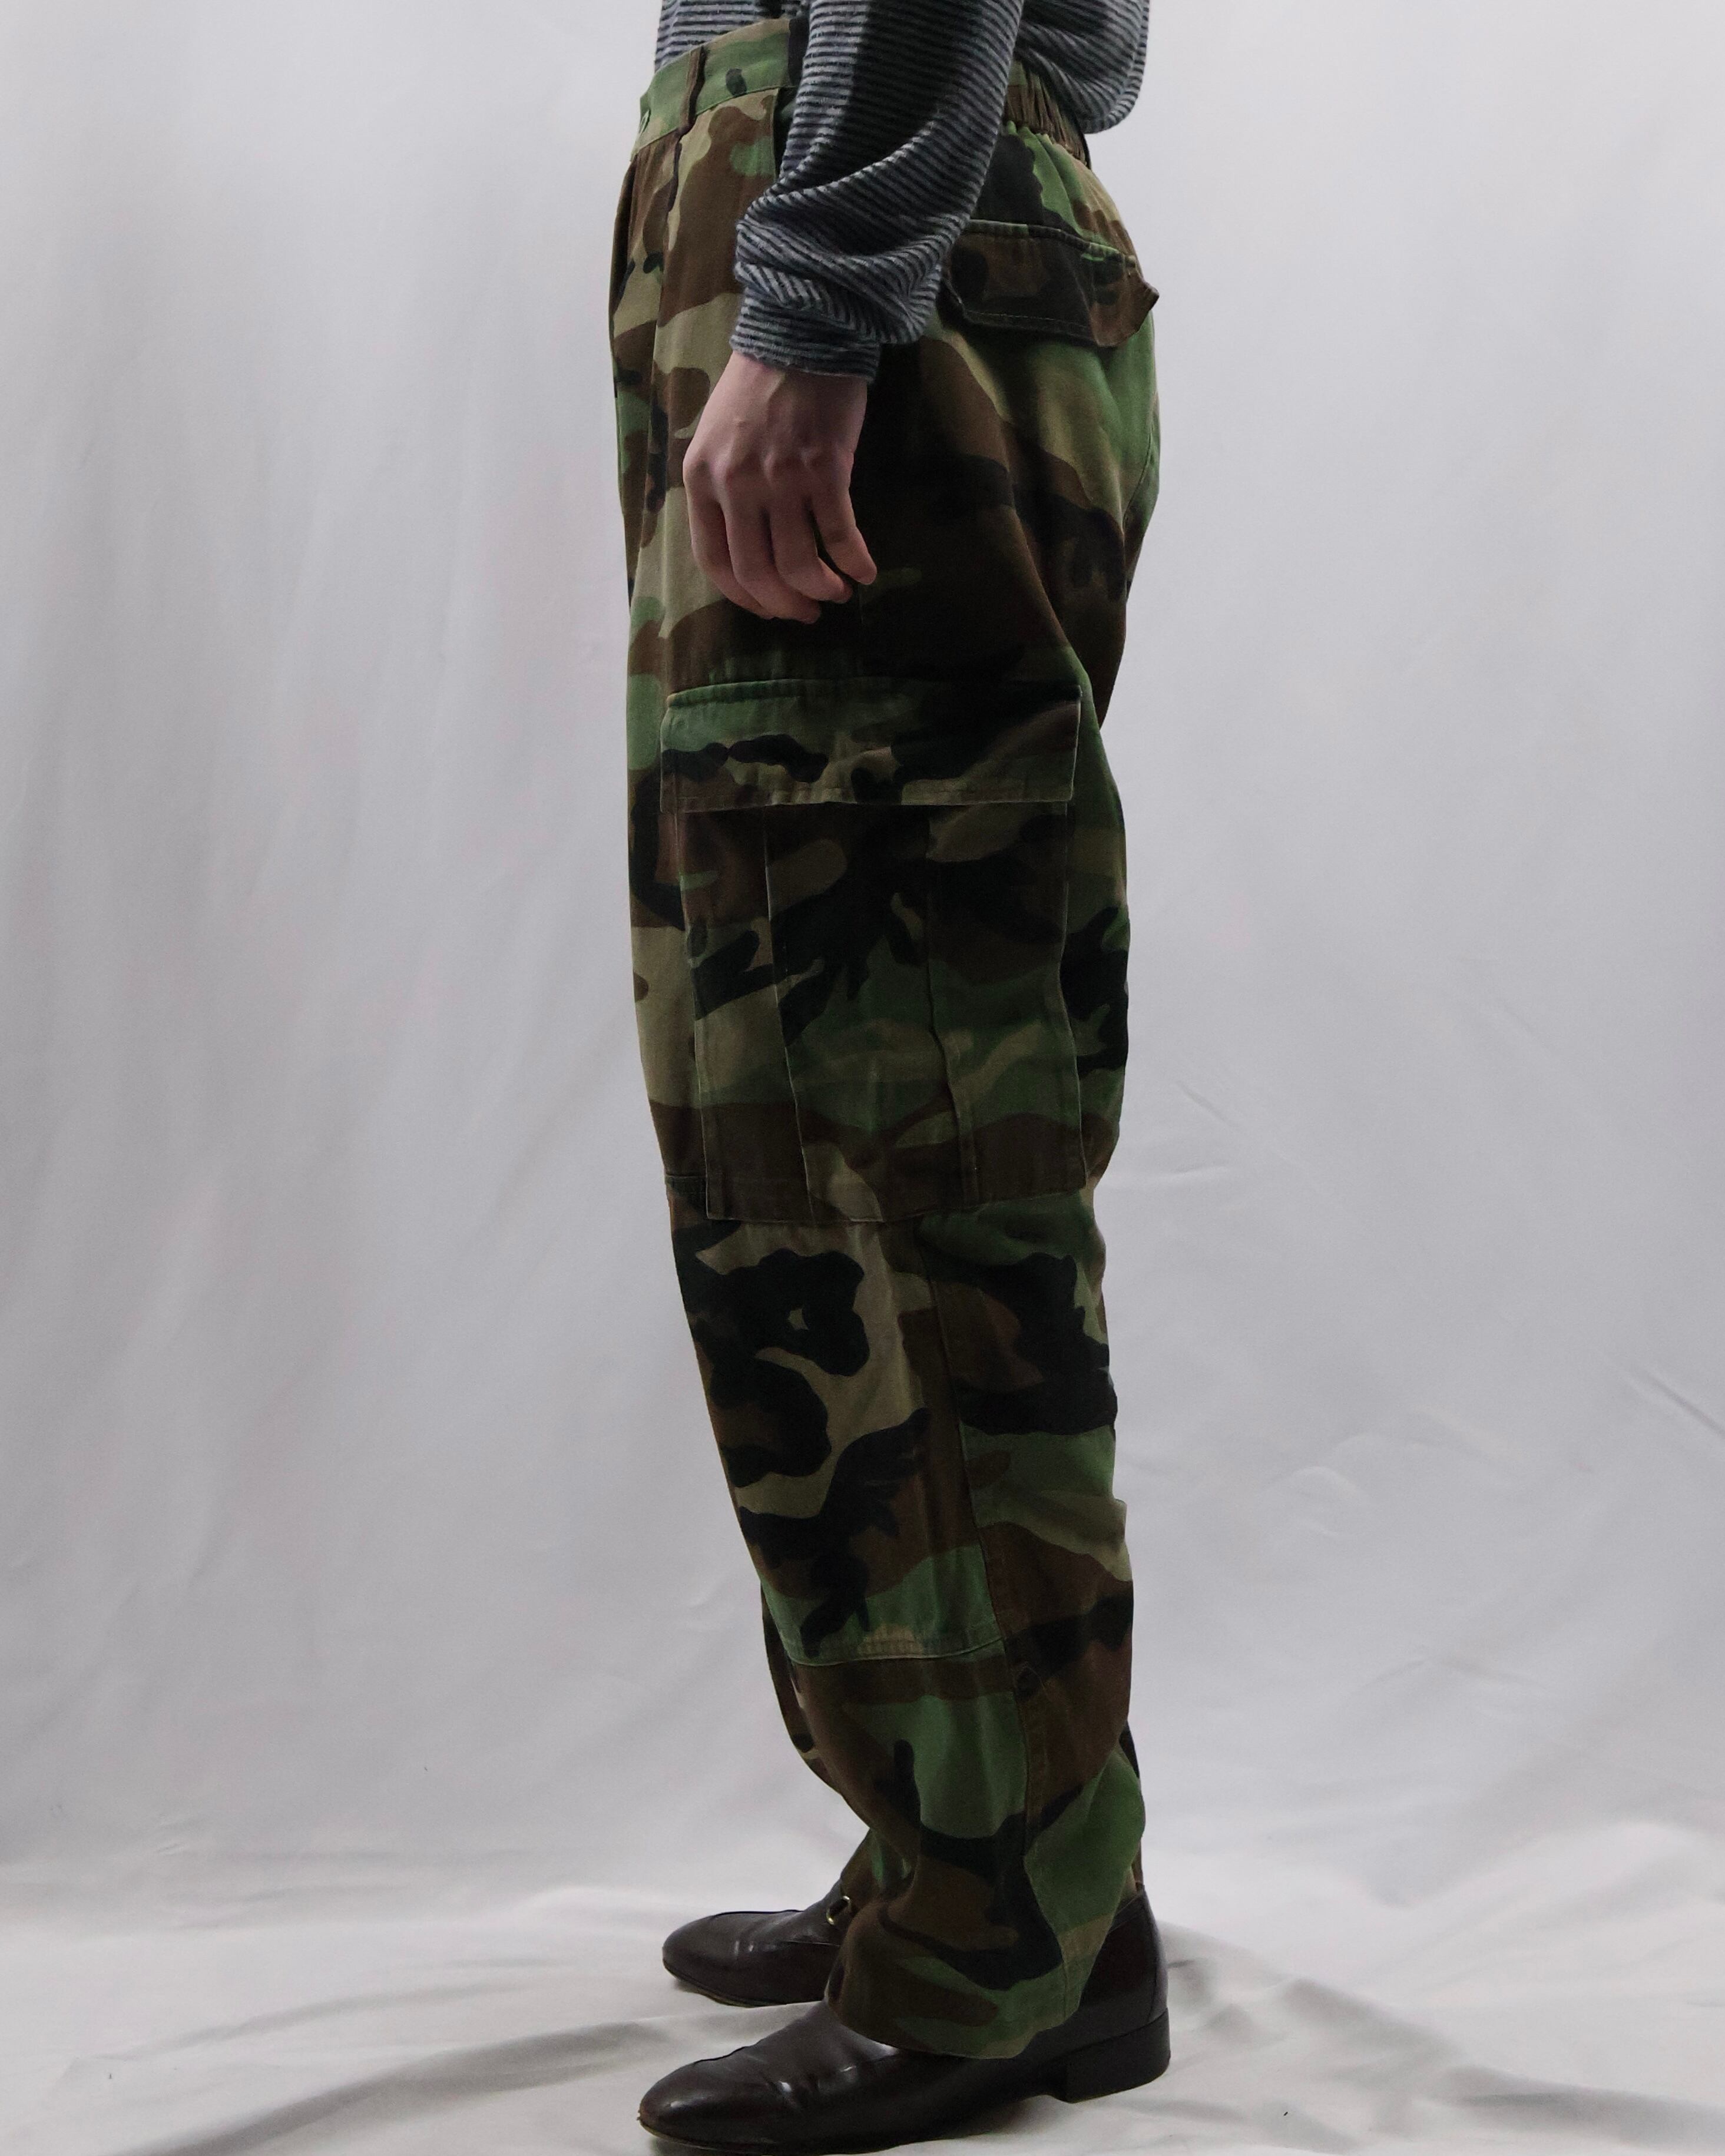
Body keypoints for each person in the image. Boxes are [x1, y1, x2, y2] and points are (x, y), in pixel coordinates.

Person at [608, 2, 1163, 2145]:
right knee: (803, 1118)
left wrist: (825, 280)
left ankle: (1002, 1934)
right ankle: (1004, 1843)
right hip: (854, 191)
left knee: (892, 1132)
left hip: (866, 218)